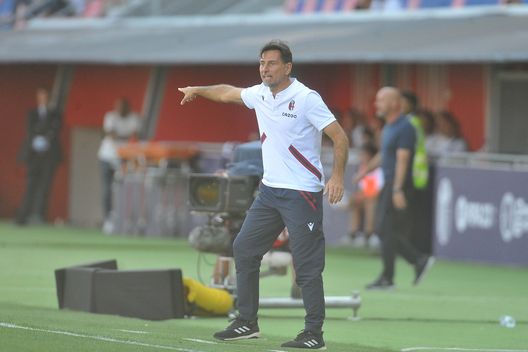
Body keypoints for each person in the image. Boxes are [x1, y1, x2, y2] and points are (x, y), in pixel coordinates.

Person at [179, 39, 349, 350]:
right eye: (261, 63)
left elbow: (339, 137)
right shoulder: (259, 94)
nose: (264, 69)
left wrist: (337, 177)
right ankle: (246, 322)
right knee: (243, 248)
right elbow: (227, 92)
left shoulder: (307, 98)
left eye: (271, 63)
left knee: (307, 265)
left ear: (287, 67)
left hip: (302, 194)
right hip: (270, 192)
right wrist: (198, 89)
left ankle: (314, 333)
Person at [354, 87, 434, 290]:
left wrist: (397, 189)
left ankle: (393, 274)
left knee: (384, 229)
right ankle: (416, 261)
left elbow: (403, 159)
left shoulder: (405, 127)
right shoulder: (389, 127)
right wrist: (366, 171)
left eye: (381, 100)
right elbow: (384, 154)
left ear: (395, 104)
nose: (376, 104)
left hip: (398, 184)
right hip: (389, 183)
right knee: (385, 230)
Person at [16, 88, 62, 225]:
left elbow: (55, 130)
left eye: (46, 96)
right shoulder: (32, 113)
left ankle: (39, 215)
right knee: (31, 185)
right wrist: (36, 141)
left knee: (45, 187)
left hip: (49, 156)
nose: (44, 99)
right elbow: (30, 130)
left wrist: (46, 140)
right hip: (34, 155)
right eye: (41, 96)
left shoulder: (55, 114)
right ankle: (24, 215)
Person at [97, 97, 142, 233]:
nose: (120, 109)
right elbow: (111, 134)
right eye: (118, 107)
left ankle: (126, 219)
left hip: (125, 158)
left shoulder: (134, 118)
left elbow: (135, 136)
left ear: (128, 107)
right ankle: (108, 219)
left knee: (126, 188)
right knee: (107, 188)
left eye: (123, 107)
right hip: (107, 156)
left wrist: (125, 138)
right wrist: (125, 137)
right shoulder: (110, 117)